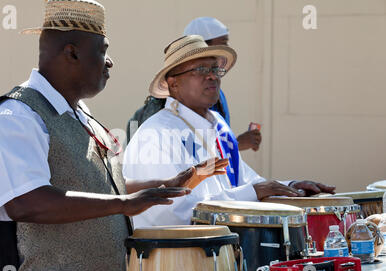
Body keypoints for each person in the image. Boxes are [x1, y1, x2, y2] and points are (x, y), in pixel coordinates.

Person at [0, 0, 226, 271]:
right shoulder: (16, 116)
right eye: (103, 51)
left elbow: (100, 190)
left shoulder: (81, 115)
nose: (110, 62)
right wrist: (123, 203)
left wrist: (163, 185)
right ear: (72, 53)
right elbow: (26, 201)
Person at [122, 35, 336, 228]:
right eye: (200, 70)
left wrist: (290, 187)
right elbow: (172, 215)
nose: (212, 76)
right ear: (173, 84)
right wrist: (254, 193)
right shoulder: (158, 133)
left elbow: (244, 181)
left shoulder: (217, 123)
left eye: (215, 69)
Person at [126, 17, 262, 153]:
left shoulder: (216, 96)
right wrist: (237, 144)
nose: (226, 48)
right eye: (223, 43)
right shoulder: (162, 117)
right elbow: (191, 159)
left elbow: (214, 157)